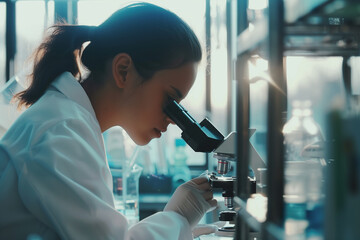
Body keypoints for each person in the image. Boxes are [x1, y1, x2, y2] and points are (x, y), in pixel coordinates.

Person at [0, 3, 217, 240]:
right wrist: (178, 218)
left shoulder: (71, 121)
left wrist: (178, 227)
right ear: (123, 70)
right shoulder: (61, 131)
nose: (174, 120)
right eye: (170, 100)